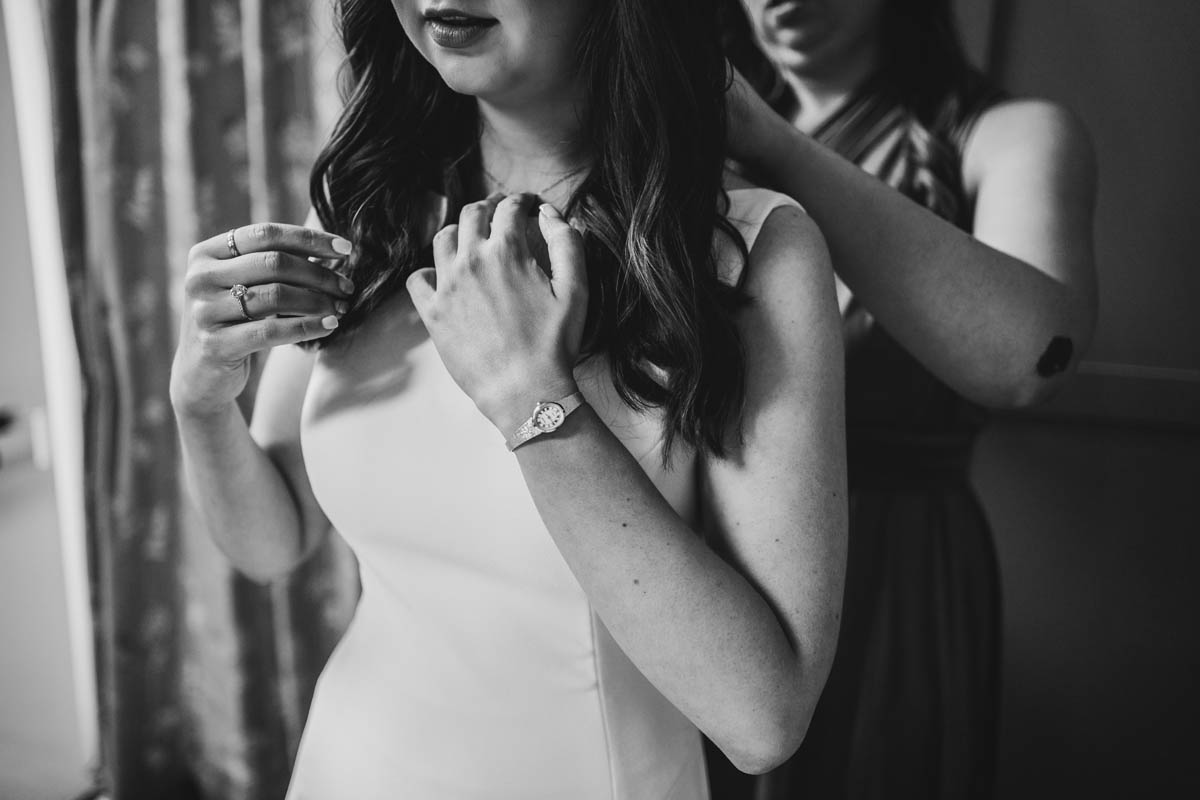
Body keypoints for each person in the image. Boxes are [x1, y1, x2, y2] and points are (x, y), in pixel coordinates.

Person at [169, 1, 849, 797]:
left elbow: (762, 721)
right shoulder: (371, 207)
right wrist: (201, 396)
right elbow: (271, 542)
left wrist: (530, 396)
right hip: (345, 767)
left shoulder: (748, 250)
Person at [703, 1, 1098, 798]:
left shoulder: (1015, 135)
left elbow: (1030, 358)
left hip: (893, 573)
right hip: (710, 556)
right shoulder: (688, 127)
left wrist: (773, 146)